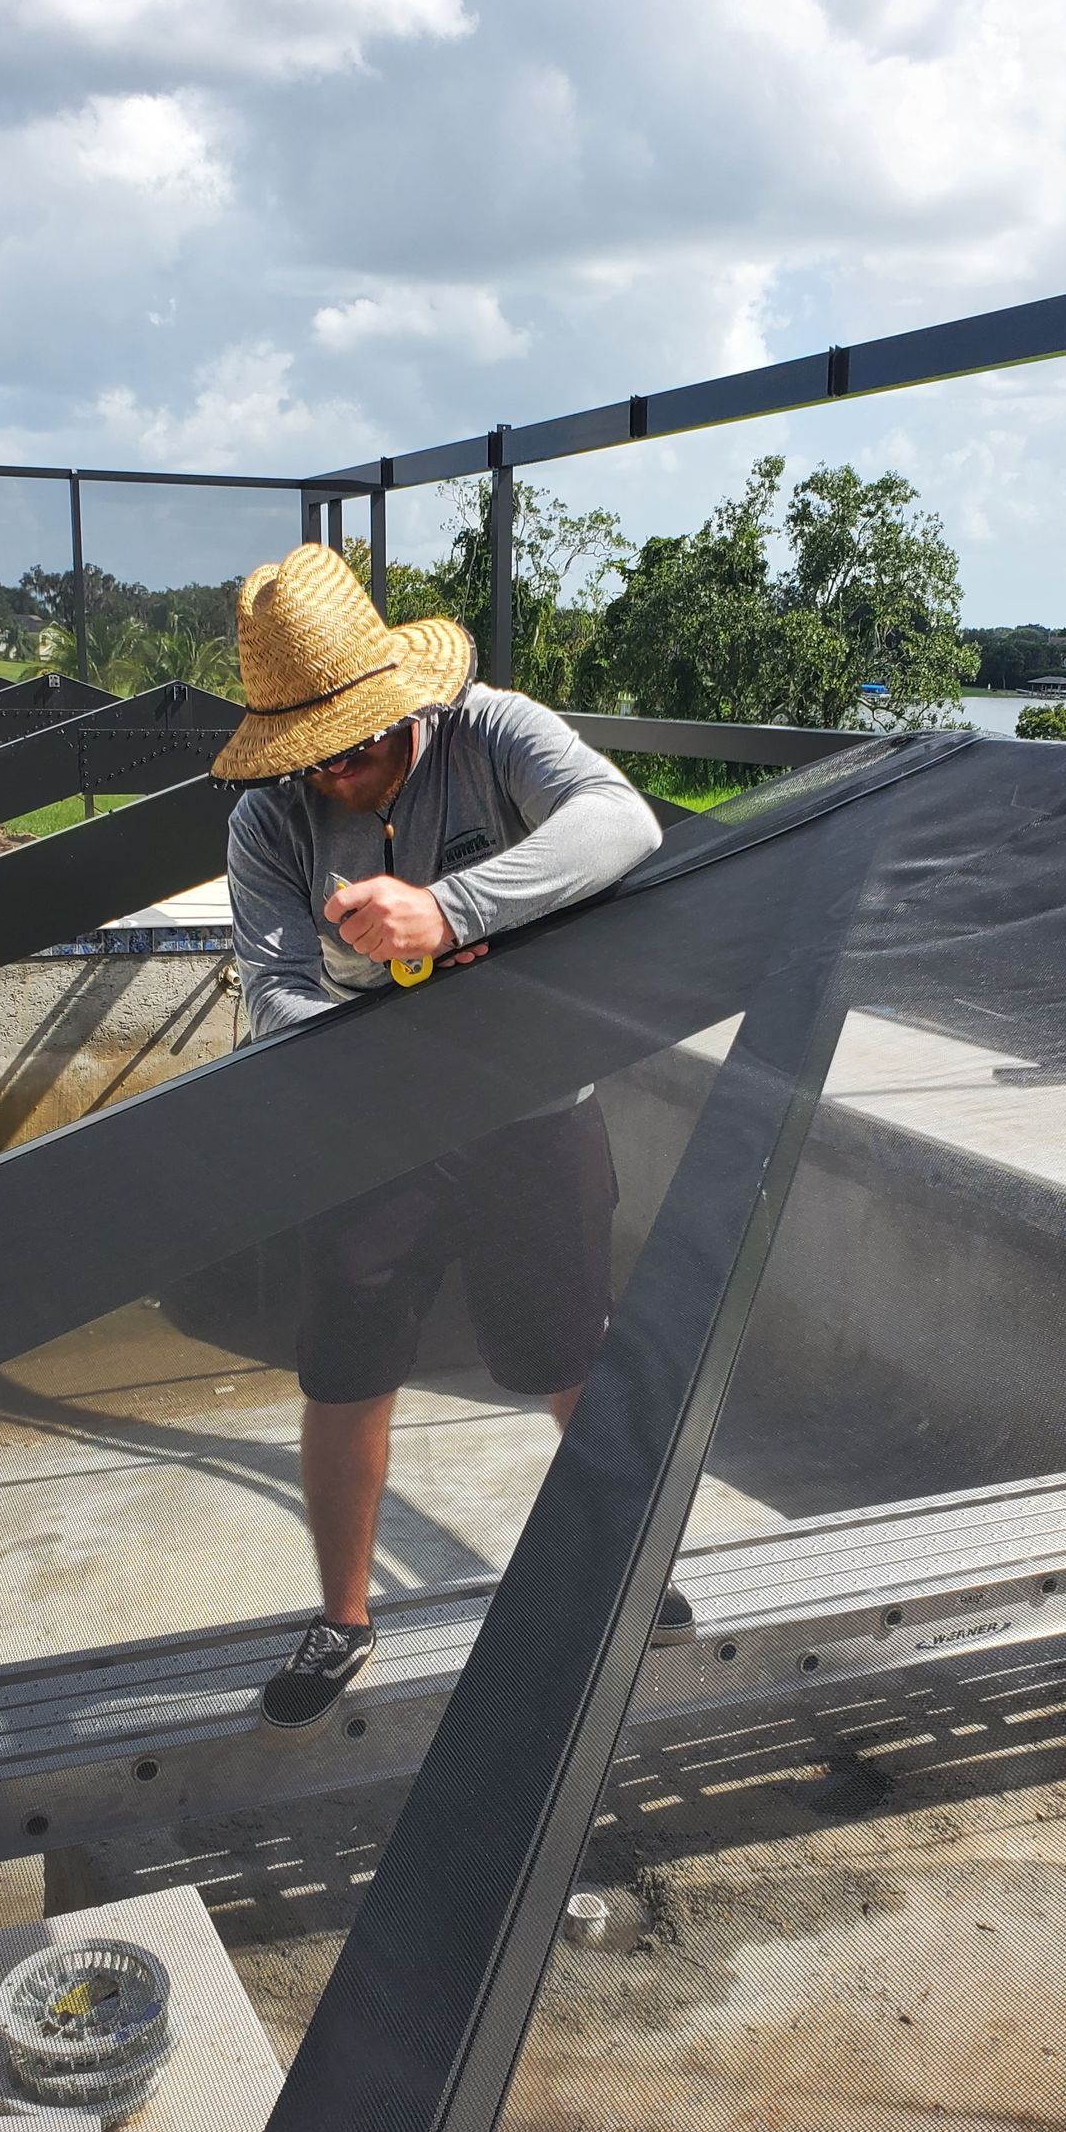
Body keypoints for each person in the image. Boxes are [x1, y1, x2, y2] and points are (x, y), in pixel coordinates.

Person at [211, 542, 693, 1727]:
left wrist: (442, 909)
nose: (341, 770)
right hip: (375, 1132)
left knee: (573, 1350)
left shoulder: (491, 733)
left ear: (402, 706)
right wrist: (356, 1047)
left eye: (361, 741)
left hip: (536, 1103)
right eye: (313, 756)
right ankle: (342, 1620)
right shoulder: (266, 824)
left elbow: (622, 822)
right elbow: (271, 985)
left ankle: (632, 1572)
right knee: (345, 1369)